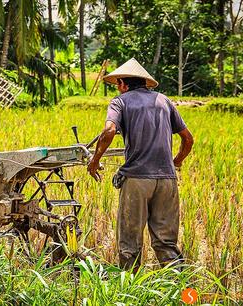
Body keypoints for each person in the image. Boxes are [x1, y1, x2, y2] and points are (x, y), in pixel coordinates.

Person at [87, 58, 194, 271]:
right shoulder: (165, 101)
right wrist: (176, 162)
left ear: (124, 84)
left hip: (137, 179)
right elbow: (188, 139)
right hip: (167, 180)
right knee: (166, 242)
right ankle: (181, 294)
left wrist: (95, 160)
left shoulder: (120, 102)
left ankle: (131, 293)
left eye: (118, 84)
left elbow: (108, 131)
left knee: (129, 243)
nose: (118, 89)